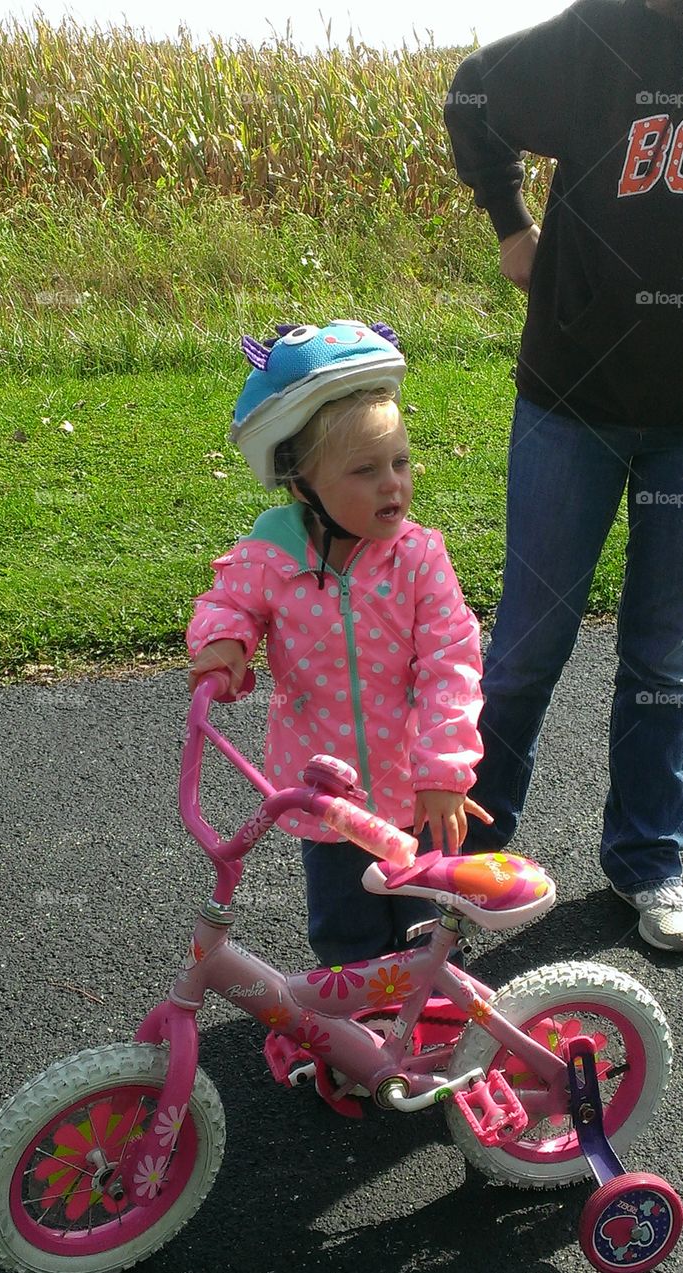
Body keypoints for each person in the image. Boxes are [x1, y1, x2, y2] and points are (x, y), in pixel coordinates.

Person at [444, 0, 683, 950]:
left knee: (666, 659)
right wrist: (510, 224)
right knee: (526, 649)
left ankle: (650, 861)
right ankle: (469, 864)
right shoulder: (598, 33)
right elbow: (471, 94)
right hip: (569, 404)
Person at [187, 319, 491, 965]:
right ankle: (350, 1044)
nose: (393, 484)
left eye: (400, 463)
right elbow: (229, 602)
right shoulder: (271, 554)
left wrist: (442, 770)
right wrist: (223, 646)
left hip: (416, 790)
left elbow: (451, 664)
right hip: (325, 797)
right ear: (302, 485)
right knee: (344, 931)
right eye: (365, 470)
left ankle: (426, 1033)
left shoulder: (417, 560)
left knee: (425, 928)